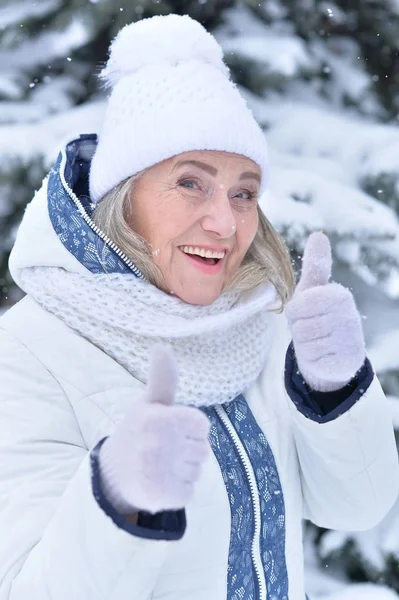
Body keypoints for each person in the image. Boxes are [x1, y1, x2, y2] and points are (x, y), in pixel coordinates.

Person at [0, 14, 397, 600]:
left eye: (244, 193)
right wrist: (117, 503)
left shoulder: (257, 325)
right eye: (191, 182)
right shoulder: (28, 354)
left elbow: (358, 507)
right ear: (123, 195)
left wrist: (334, 392)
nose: (225, 222)